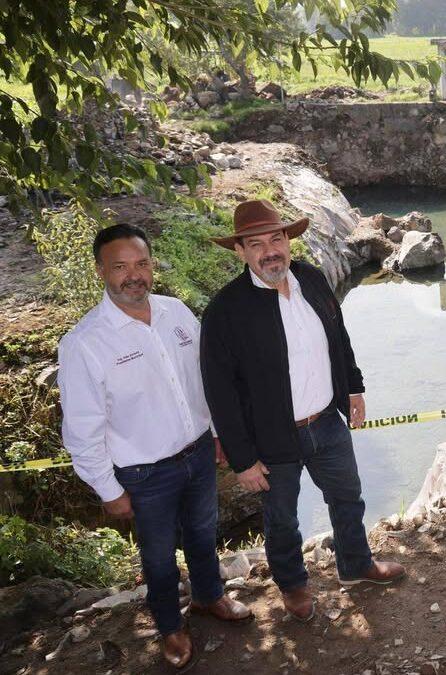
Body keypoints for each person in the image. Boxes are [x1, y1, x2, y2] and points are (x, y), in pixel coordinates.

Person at [201, 200, 405, 623]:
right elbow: (219, 393)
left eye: (276, 239)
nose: (269, 251)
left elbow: (338, 336)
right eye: (256, 244)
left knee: (348, 498)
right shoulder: (225, 311)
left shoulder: (311, 278)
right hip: (270, 437)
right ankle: (293, 586)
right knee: (281, 520)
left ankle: (356, 564)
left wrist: (353, 387)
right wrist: (242, 459)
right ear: (239, 251)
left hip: (327, 422)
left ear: (288, 241)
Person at [58, 224, 251, 670]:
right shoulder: (85, 343)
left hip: (198, 454)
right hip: (144, 474)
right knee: (159, 558)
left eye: (141, 263)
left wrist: (218, 432)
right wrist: (108, 489)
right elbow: (82, 429)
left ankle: (209, 597)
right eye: (120, 266)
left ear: (152, 265)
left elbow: (206, 379)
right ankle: (169, 627)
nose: (134, 275)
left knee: (203, 535)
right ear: (100, 270)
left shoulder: (176, 312)